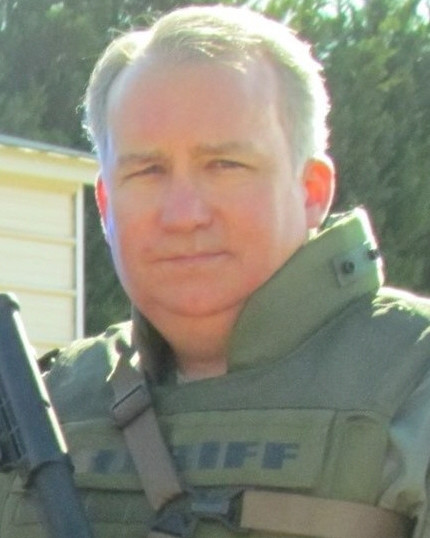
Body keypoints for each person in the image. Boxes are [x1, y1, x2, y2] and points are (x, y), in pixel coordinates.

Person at [1, 4, 430, 538]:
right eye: (148, 170)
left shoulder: (415, 384)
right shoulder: (42, 403)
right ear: (106, 205)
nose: (184, 214)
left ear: (311, 190)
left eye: (225, 165)